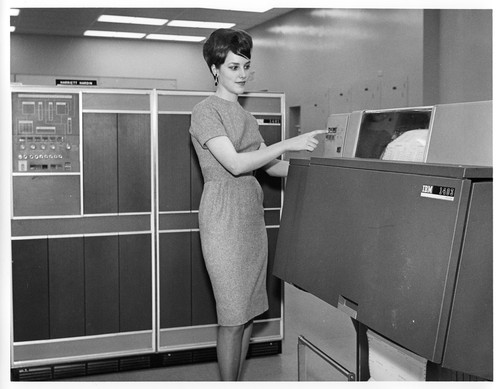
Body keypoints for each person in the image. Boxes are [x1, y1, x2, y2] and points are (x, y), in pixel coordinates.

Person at [189, 28, 326, 381]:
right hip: (223, 218)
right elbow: (235, 164)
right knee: (232, 315)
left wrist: (316, 170)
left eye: (246, 66)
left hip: (250, 219)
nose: (242, 74)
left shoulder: (246, 117)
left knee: (247, 311)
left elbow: (269, 166)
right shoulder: (204, 112)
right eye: (234, 67)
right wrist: (286, 143)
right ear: (215, 68)